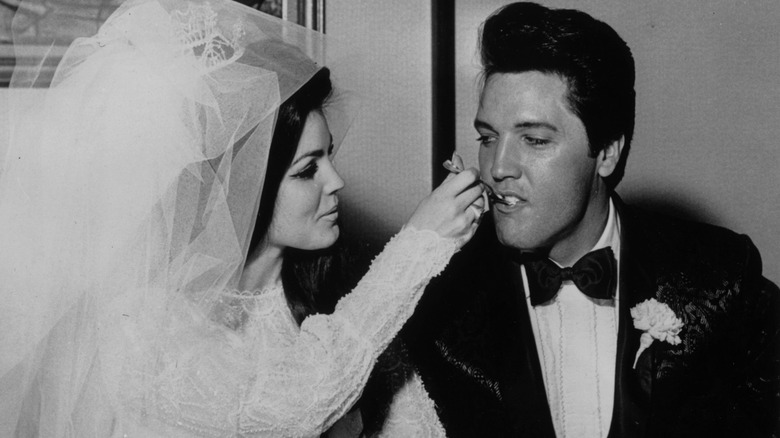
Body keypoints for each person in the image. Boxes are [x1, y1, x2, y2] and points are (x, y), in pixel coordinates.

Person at [0, 0, 484, 436]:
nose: (336, 181)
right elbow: (292, 405)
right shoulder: (143, 324)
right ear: (241, 186)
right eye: (307, 169)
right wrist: (419, 244)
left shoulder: (332, 295)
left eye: (329, 157)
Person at [403, 2, 780, 437]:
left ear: (606, 153)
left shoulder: (720, 277)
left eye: (534, 139)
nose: (498, 167)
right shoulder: (437, 301)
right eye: (488, 137)